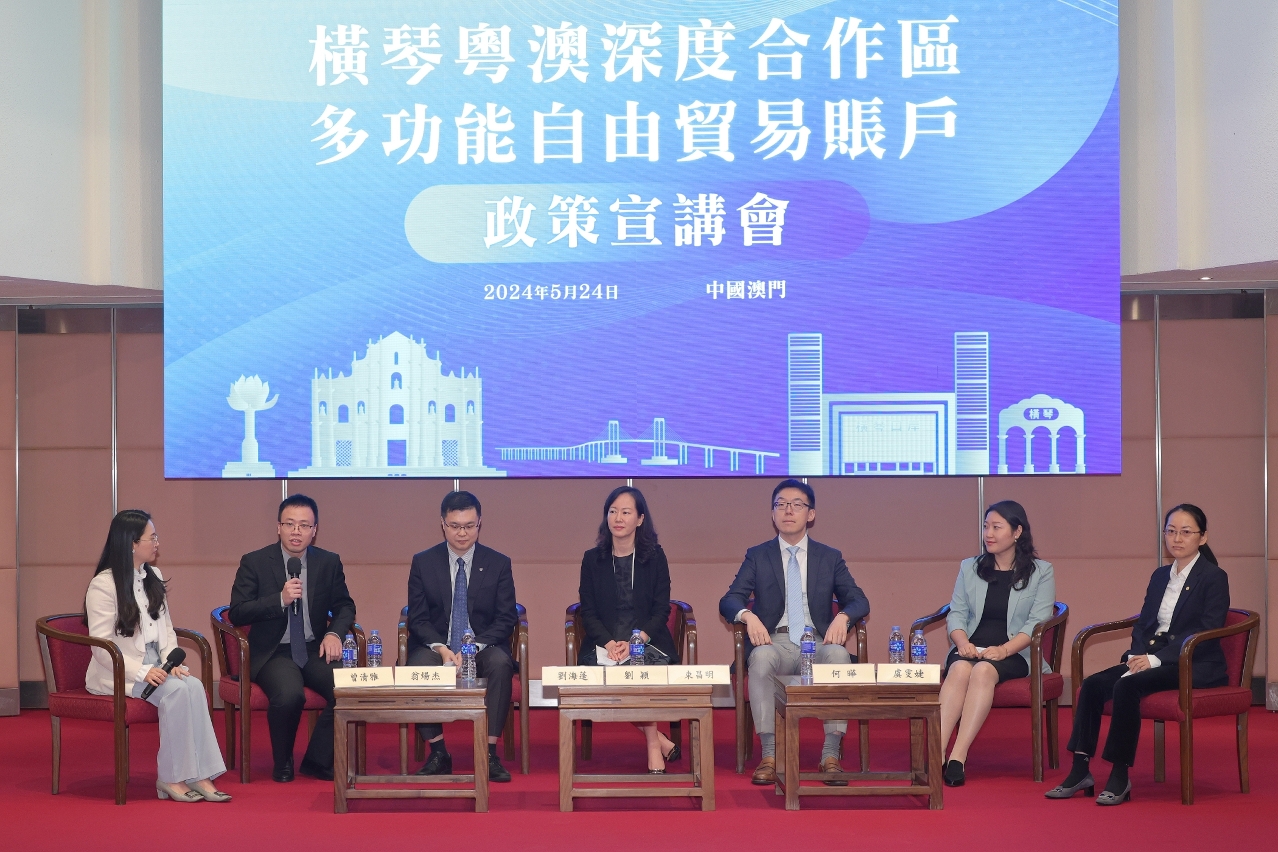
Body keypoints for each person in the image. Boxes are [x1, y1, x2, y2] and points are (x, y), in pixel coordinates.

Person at [1046, 503, 1229, 805]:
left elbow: (1207, 632)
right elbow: (1144, 623)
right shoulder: (1160, 576)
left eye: (1186, 532)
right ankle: (1080, 769)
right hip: (1153, 657)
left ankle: (1120, 774)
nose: (1177, 538)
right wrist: (1136, 653)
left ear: (1203, 537)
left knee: (1127, 686)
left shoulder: (1213, 577)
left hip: (1192, 662)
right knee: (1093, 685)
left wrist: (1154, 659)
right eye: (1171, 531)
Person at [719, 479, 871, 786]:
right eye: (781, 504)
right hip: (775, 641)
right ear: (772, 514)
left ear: (810, 514)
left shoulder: (829, 557)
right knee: (761, 658)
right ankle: (770, 754)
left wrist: (843, 617)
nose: (788, 510)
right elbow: (730, 599)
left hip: (817, 642)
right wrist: (748, 616)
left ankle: (830, 755)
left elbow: (859, 600)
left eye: (797, 505)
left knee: (839, 656)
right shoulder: (758, 555)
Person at [84, 510, 229, 802]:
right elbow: (101, 648)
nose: (157, 543)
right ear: (131, 544)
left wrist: (170, 662)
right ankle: (171, 777)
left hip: (157, 664)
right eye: (152, 538)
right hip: (120, 670)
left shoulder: (154, 576)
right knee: (176, 691)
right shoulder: (103, 585)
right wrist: (143, 671)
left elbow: (167, 629)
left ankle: (201, 774)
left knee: (193, 686)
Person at [229, 494, 355, 783]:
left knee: (349, 690)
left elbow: (345, 606)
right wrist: (279, 600)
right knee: (289, 695)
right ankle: (283, 760)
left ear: (314, 530)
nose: (296, 531)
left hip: (314, 648)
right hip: (274, 652)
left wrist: (334, 633)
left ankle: (317, 760)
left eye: (304, 525)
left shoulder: (328, 562)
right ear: (278, 527)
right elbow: (237, 611)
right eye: (289, 524)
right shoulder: (255, 562)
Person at [937, 500, 1056, 787]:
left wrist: (1003, 650)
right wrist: (962, 642)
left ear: (1017, 532)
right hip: (970, 647)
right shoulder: (970, 567)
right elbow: (957, 613)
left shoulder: (1041, 572)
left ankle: (958, 756)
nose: (988, 534)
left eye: (996, 527)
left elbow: (1036, 623)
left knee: (983, 671)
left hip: (1015, 652)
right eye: (985, 526)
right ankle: (935, 752)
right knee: (960, 669)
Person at [406, 490, 518, 783]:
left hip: (482, 646)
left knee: (500, 663)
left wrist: (473, 647)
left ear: (479, 524)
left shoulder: (498, 563)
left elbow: (506, 618)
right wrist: (442, 649)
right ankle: (438, 752)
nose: (462, 533)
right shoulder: (423, 562)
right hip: (437, 647)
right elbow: (417, 618)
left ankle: (489, 753)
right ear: (442, 524)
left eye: (469, 526)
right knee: (418, 665)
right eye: (455, 526)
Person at [577, 486, 681, 774]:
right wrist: (610, 643)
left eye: (626, 512)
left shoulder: (655, 557)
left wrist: (637, 640)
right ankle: (656, 739)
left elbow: (662, 609)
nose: (618, 518)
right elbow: (588, 612)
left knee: (639, 674)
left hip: (647, 640)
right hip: (605, 644)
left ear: (640, 519)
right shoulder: (592, 559)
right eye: (613, 511)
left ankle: (653, 744)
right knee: (614, 677)